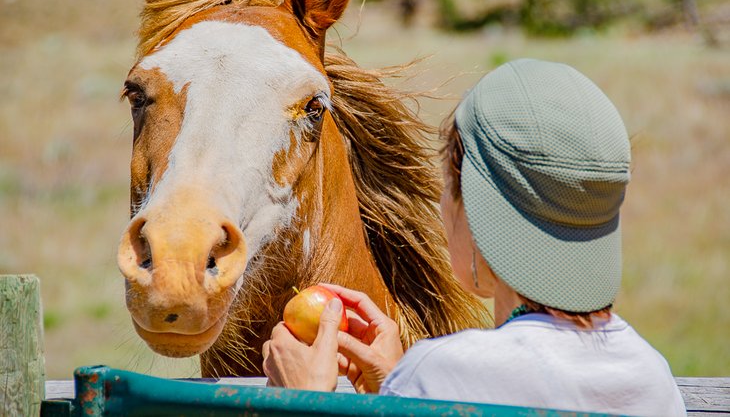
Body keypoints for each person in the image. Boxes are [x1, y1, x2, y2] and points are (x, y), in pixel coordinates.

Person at [261, 59, 687, 416]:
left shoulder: (443, 373)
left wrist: (307, 402)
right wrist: (395, 393)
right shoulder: (653, 378)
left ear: (478, 208)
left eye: (448, 183)